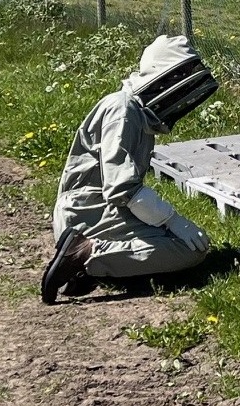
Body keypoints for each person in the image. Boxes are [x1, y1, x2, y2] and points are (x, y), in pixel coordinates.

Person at [41, 35, 219, 304]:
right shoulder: (123, 110)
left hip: (92, 208)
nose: (182, 91)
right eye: (178, 78)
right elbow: (121, 187)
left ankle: (99, 264)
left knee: (184, 243)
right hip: (86, 211)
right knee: (186, 249)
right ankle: (85, 253)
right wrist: (171, 219)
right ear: (162, 75)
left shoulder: (134, 112)